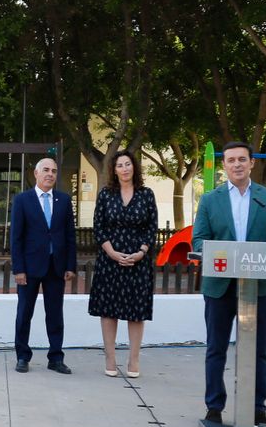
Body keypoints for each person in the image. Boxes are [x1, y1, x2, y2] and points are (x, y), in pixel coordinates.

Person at [192, 141, 266, 427]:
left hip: (257, 287)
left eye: (242, 160)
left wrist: (263, 252)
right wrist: (225, 253)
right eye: (231, 160)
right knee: (216, 349)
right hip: (220, 286)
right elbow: (199, 240)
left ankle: (257, 410)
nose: (236, 165)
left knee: (260, 351)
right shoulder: (210, 200)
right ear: (224, 165)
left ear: (252, 164)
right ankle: (214, 408)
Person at [89, 149, 158, 378]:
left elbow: (152, 228)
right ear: (114, 169)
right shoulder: (106, 194)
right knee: (109, 310)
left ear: (134, 167)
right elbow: (99, 227)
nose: (125, 168)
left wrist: (141, 252)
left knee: (135, 312)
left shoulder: (146, 194)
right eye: (120, 165)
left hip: (138, 261)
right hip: (110, 260)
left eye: (128, 164)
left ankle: (134, 358)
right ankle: (110, 358)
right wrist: (112, 253)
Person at [10, 158, 77, 375]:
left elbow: (69, 237)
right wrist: (18, 269)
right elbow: (16, 238)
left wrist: (70, 265)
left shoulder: (64, 201)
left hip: (56, 267)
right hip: (29, 268)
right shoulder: (22, 200)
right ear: (36, 173)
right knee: (24, 314)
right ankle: (22, 356)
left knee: (55, 314)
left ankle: (56, 358)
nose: (50, 174)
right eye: (46, 170)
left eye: (54, 171)